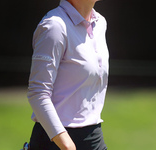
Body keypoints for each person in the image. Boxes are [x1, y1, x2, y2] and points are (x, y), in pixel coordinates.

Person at [27, 0, 109, 149]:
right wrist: (66, 144)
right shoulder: (54, 26)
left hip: (94, 138)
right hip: (55, 142)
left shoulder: (100, 23)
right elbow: (37, 93)